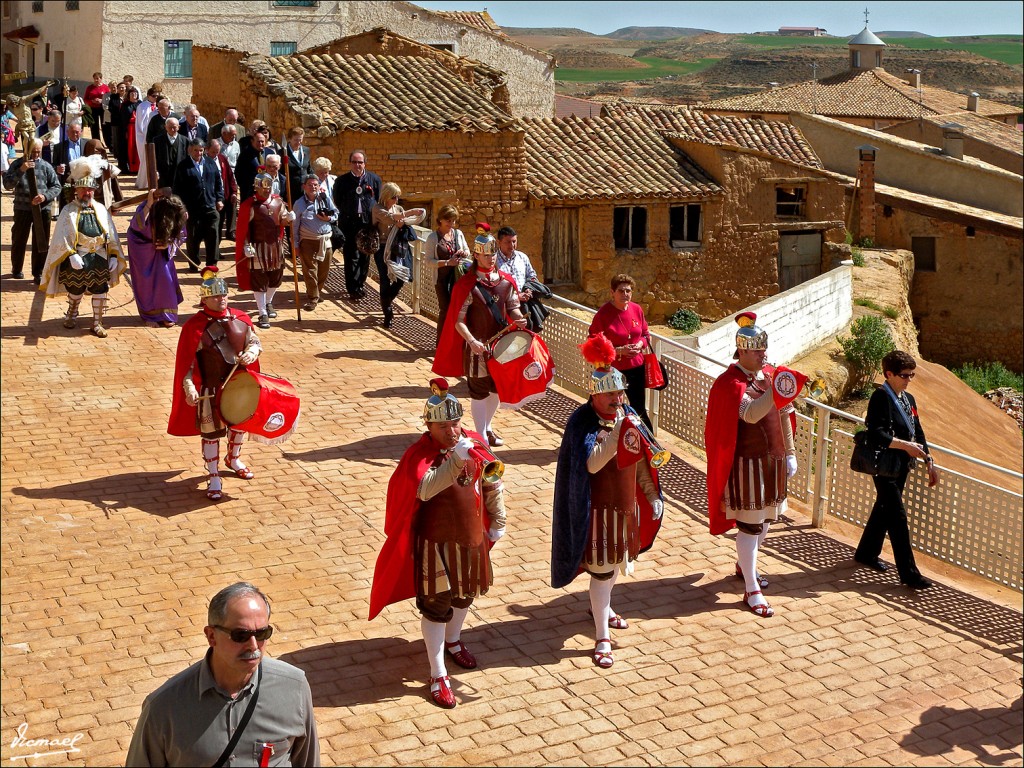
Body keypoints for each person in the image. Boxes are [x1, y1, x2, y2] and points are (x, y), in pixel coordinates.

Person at [369, 379, 507, 709]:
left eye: (456, 423)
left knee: (465, 595)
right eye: (443, 426)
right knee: (436, 604)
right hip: (435, 543)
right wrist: (455, 460)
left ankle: (454, 640)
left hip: (470, 536)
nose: (452, 431)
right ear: (428, 426)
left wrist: (498, 520)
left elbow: (492, 482)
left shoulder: (470, 442)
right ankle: (437, 672)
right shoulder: (419, 455)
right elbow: (426, 488)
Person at [551, 334, 664, 669]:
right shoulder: (581, 422)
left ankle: (602, 607)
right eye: (610, 393)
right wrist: (617, 432)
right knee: (601, 572)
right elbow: (591, 463)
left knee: (614, 568)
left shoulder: (627, 412)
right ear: (594, 394)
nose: (617, 398)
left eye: (619, 392)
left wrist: (652, 493)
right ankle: (602, 637)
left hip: (624, 507)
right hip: (596, 512)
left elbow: (642, 459)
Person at [125, 581, 319, 766]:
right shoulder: (163, 707)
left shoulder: (295, 687)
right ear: (211, 636)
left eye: (261, 634)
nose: (253, 646)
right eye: (240, 635)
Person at [704, 313, 799, 618]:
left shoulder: (770, 375)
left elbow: (784, 415)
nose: (763, 355)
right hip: (747, 466)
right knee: (750, 525)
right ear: (742, 351)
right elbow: (752, 414)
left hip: (772, 461)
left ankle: (746, 567)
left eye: (764, 349)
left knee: (767, 520)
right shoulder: (729, 384)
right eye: (757, 350)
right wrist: (778, 389)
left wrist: (791, 452)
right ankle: (751, 589)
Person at [168, 269, 262, 500]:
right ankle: (213, 475)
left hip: (239, 385)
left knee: (239, 425)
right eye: (216, 296)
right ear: (205, 299)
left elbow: (255, 341)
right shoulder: (194, 327)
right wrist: (189, 388)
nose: (221, 299)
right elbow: (187, 364)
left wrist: (252, 352)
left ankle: (233, 458)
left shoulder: (241, 318)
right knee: (211, 433)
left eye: (224, 295)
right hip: (210, 389)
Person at [433, 224, 526, 448]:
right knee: (479, 391)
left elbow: (512, 306)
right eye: (486, 255)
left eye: (493, 254)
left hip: (500, 347)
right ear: (476, 255)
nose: (490, 258)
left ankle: (487, 428)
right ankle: (481, 437)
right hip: (477, 348)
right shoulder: (467, 284)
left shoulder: (505, 281)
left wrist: (519, 317)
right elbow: (458, 321)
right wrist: (472, 342)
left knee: (496, 390)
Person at [853, 350, 940, 589]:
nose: (908, 379)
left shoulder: (908, 399)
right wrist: (905, 446)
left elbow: (918, 432)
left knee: (884, 509)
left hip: (901, 464)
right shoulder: (880, 398)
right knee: (897, 517)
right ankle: (909, 574)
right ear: (888, 374)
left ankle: (866, 553)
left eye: (911, 375)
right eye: (904, 375)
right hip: (884, 466)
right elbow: (876, 433)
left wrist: (929, 460)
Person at [39, 156, 127, 338]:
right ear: (76, 191)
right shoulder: (67, 211)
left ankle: (97, 323)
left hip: (100, 257)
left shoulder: (101, 209)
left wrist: (112, 255)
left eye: (90, 189)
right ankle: (72, 312)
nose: (87, 192)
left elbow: (110, 232)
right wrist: (71, 254)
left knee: (100, 290)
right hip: (78, 257)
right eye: (84, 189)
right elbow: (61, 236)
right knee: (75, 289)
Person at [588, 274, 653, 431]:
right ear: (612, 292)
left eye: (628, 291)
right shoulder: (603, 314)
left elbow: (646, 334)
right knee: (602, 407)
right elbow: (593, 343)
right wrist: (619, 351)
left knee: (639, 408)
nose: (625, 294)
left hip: (636, 367)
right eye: (621, 291)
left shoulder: (636, 309)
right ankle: (589, 438)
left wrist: (639, 345)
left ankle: (649, 445)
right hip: (612, 369)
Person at [237, 173, 294, 328]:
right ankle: (262, 312)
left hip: (275, 246)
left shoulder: (278, 201)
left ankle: (268, 303)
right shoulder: (250, 205)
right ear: (256, 187)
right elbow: (244, 229)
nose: (266, 191)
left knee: (276, 278)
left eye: (268, 188)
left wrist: (288, 218)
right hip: (257, 248)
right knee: (259, 280)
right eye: (263, 189)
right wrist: (246, 246)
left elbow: (281, 222)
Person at [126, 187, 186, 327]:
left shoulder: (176, 211)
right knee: (145, 284)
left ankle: (167, 314)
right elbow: (136, 225)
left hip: (162, 251)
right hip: (142, 249)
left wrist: (169, 244)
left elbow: (182, 233)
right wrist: (149, 204)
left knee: (166, 280)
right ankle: (150, 316)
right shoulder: (146, 206)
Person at [3, 139, 61, 283]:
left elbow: (56, 186)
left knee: (41, 240)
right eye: (33, 151)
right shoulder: (17, 164)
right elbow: (7, 184)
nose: (35, 155)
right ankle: (16, 269)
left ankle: (38, 272)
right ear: (27, 151)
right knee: (19, 239)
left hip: (42, 209)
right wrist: (21, 170)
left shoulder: (46, 166)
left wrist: (45, 196)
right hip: (22, 208)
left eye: (38, 152)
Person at [371, 181, 425, 328]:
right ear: (386, 196)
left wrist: (406, 218)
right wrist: (412, 212)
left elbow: (402, 221)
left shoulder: (399, 208)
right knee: (384, 279)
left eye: (397, 197)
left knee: (401, 278)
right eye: (394, 197)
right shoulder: (377, 208)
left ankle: (386, 300)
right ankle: (388, 313)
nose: (396, 200)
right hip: (382, 248)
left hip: (398, 247)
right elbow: (391, 218)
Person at [331, 149, 381, 300]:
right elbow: (338, 200)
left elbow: (377, 198)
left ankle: (360, 284)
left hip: (367, 223)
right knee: (351, 255)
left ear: (365, 163)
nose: (357, 165)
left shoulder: (374, 179)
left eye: (360, 162)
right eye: (354, 162)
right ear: (350, 163)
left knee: (365, 255)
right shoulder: (342, 181)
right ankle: (352, 288)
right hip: (349, 223)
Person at [173, 139, 224, 273]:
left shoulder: (210, 163)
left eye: (201, 150)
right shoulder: (183, 166)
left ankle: (212, 264)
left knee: (213, 235)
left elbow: (218, 183)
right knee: (193, 238)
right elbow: (177, 190)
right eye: (196, 150)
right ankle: (193, 263)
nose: (198, 153)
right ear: (190, 150)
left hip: (210, 207)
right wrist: (182, 209)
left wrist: (219, 199)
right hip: (192, 209)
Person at [424, 204, 470, 345]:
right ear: (441, 220)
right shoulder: (433, 238)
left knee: (459, 310)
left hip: (458, 278)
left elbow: (467, 250)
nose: (451, 224)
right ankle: (441, 344)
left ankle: (455, 342)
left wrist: (463, 253)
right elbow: (428, 261)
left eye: (453, 221)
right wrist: (447, 262)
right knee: (445, 310)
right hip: (442, 280)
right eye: (448, 220)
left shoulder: (458, 234)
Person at [292, 173, 337, 313]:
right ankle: (313, 297)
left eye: (315, 185)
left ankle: (317, 290)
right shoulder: (299, 204)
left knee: (324, 269)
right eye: (310, 185)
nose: (313, 187)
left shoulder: (325, 199)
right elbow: (294, 226)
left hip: (325, 240)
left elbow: (336, 214)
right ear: (304, 187)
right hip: (308, 241)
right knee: (310, 270)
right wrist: (295, 245)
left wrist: (328, 218)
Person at [495, 225, 549, 333]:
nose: (512, 245)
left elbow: (532, 276)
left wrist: (529, 289)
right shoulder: (493, 261)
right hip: (504, 310)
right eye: (508, 242)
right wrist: (516, 296)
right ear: (499, 242)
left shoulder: (522, 257)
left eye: (514, 241)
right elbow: (494, 287)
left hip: (525, 307)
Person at [208, 138, 237, 244]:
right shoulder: (204, 161)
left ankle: (230, 233)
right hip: (213, 197)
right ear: (207, 150)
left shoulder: (222, 158)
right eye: (213, 152)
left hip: (226, 194)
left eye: (217, 151)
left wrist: (234, 192)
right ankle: (215, 249)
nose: (215, 154)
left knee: (228, 217)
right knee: (217, 224)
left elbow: (230, 176)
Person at [134, 85, 161, 189]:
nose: (155, 99)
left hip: (155, 135)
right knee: (146, 158)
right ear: (149, 96)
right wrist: (145, 133)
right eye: (154, 96)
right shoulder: (142, 106)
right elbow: (141, 122)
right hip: (144, 135)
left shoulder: (158, 106)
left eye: (157, 97)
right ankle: (145, 182)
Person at [152, 117, 187, 189]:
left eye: (174, 127)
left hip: (179, 175)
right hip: (163, 175)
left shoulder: (185, 140)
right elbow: (153, 157)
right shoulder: (157, 140)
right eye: (170, 127)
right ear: (165, 127)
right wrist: (155, 171)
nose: (172, 129)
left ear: (178, 127)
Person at [284, 127, 311, 196]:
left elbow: (308, 168)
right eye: (296, 140)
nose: (298, 142)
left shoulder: (306, 150)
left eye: (300, 140)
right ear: (289, 139)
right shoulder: (283, 152)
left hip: (305, 190)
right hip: (290, 191)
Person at [120, 86, 142, 173]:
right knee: (130, 148)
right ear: (128, 95)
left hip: (138, 128)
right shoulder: (125, 105)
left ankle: (138, 168)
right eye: (132, 93)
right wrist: (125, 131)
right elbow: (122, 119)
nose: (134, 95)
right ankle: (130, 168)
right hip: (129, 129)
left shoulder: (140, 104)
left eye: (135, 93)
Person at [83, 72, 109, 142]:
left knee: (104, 126)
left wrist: (102, 100)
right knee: (94, 126)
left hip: (102, 108)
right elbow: (85, 98)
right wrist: (92, 101)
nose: (96, 80)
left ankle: (107, 142)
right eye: (95, 79)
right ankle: (96, 141)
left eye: (98, 78)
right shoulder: (90, 88)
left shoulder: (105, 88)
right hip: (93, 108)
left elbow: (108, 98)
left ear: (101, 79)